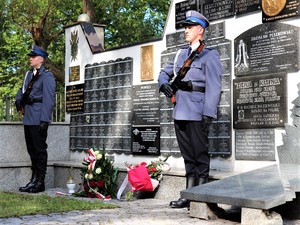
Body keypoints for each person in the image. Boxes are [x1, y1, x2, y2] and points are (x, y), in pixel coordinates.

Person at [158, 10, 222, 208]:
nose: (185, 30)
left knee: (200, 155)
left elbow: (214, 86)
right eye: (185, 27)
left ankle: (199, 196)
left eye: (189, 27)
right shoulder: (180, 54)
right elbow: (163, 73)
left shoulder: (210, 56)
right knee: (188, 155)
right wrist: (163, 84)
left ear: (200, 30)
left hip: (197, 112)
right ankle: (188, 195)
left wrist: (208, 114)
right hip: (180, 111)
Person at [15, 45, 56, 193]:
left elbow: (49, 99)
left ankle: (40, 182)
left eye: (33, 56)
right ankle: (33, 180)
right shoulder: (29, 75)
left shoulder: (47, 76)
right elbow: (22, 90)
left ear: (41, 59)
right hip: (28, 118)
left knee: (39, 151)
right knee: (32, 151)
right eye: (30, 56)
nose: (30, 58)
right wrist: (18, 100)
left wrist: (45, 120)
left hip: (39, 118)